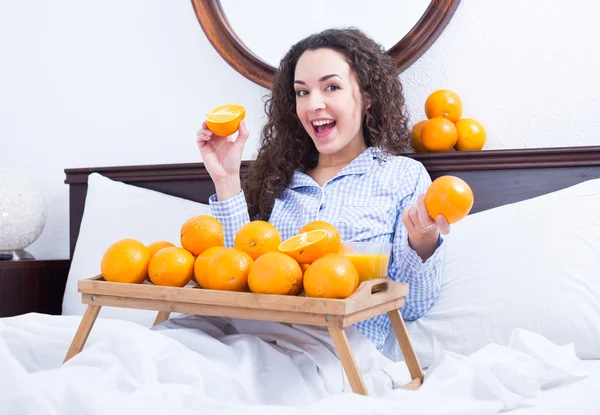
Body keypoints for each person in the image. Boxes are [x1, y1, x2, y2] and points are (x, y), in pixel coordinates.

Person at [196, 27, 449, 352]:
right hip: (248, 343)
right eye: (302, 92)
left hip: (335, 358)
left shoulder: (403, 177)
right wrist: (226, 178)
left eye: (331, 87)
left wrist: (424, 240)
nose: (314, 104)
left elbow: (413, 308)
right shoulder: (277, 179)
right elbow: (234, 280)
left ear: (367, 96)